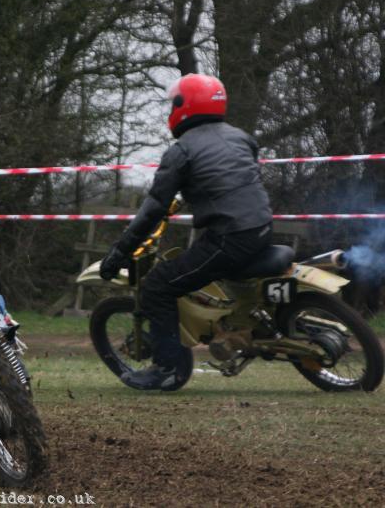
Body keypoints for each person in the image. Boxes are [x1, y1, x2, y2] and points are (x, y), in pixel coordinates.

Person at [99, 73, 273, 391]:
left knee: (158, 286)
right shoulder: (241, 137)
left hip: (229, 238)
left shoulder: (181, 152)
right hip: (261, 228)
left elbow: (152, 210)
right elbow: (231, 182)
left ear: (183, 107)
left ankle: (167, 369)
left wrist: (119, 251)